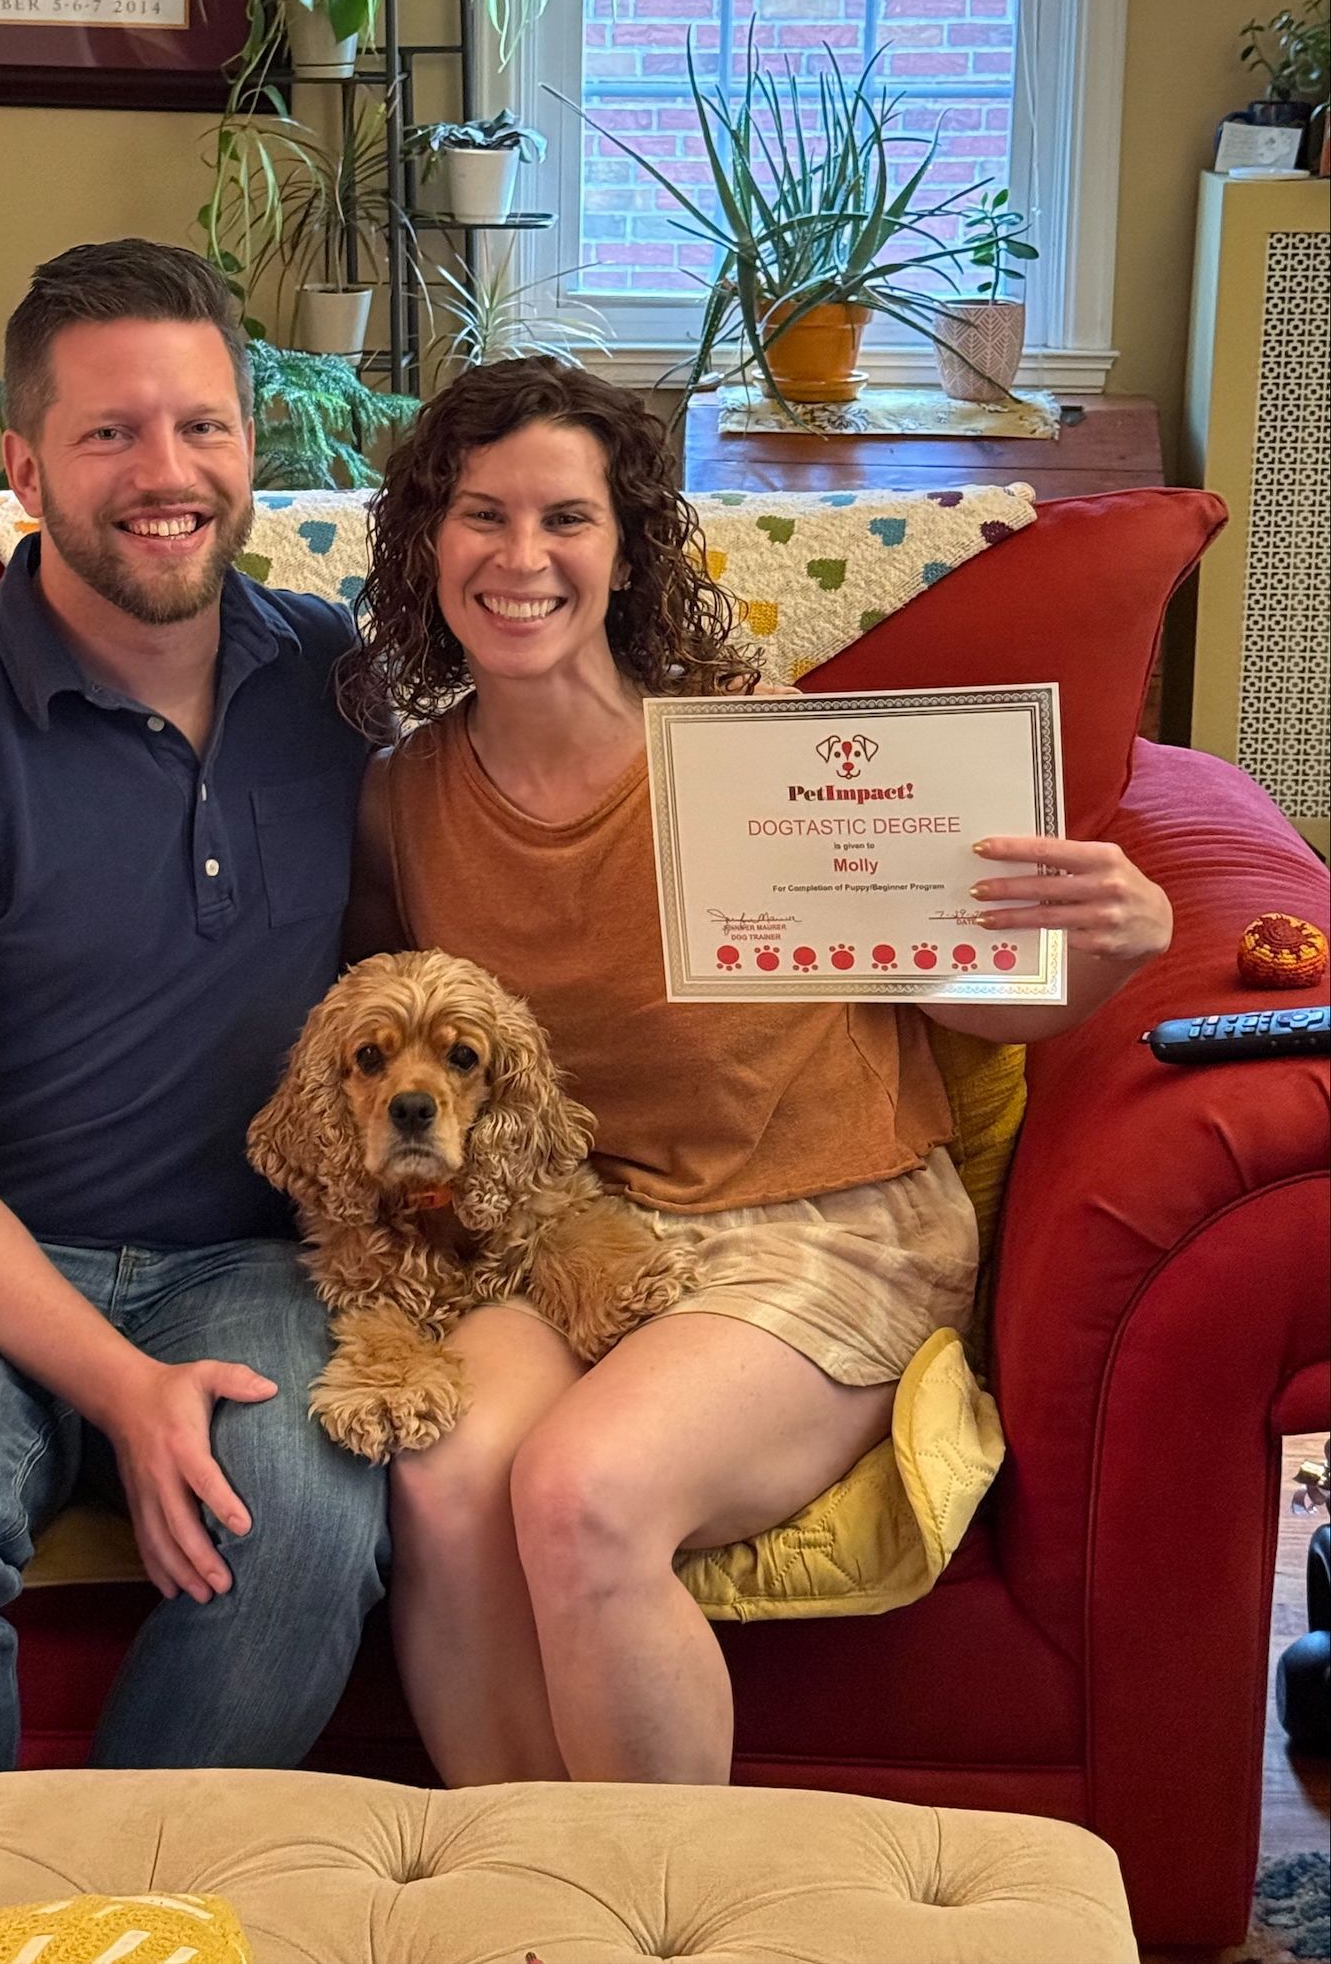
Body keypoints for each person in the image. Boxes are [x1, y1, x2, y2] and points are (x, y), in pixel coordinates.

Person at [338, 357, 1172, 1789]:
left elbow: (987, 1009)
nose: (521, 557)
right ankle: (541, 1912)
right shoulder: (404, 802)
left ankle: (665, 1921)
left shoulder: (748, 747)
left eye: (567, 520)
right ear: (427, 544)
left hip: (828, 1223)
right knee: (443, 1475)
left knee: (584, 1494)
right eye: (480, 516)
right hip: (572, 1240)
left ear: (628, 546)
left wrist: (1118, 944)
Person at [0, 239, 387, 1779]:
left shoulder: (339, 690)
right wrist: (121, 1384)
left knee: (310, 1515)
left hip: (251, 1261)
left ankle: (126, 1917)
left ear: (255, 448)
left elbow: (563, 773)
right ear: (28, 470)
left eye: (202, 426)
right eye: (111, 433)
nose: (164, 472)